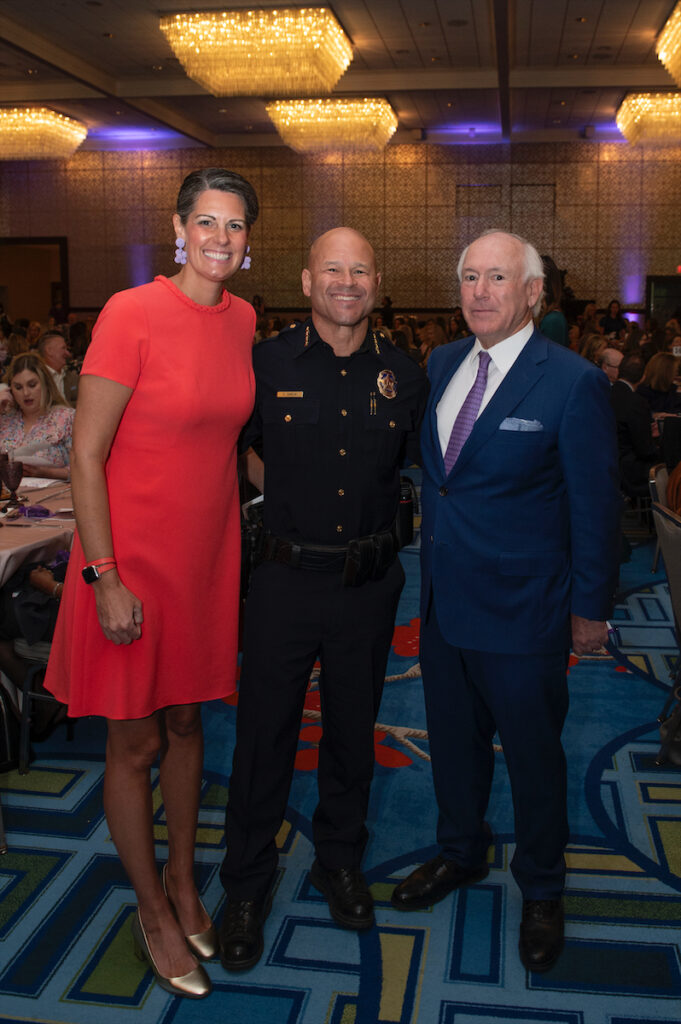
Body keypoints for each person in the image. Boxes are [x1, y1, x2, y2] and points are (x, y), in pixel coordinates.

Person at [44, 167, 260, 1000]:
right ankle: (151, 907)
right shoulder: (131, 312)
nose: (219, 237)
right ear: (179, 227)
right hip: (128, 559)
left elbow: (227, 438)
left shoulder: (242, 319)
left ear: (248, 242)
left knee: (188, 725)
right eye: (206, 221)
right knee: (132, 742)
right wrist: (103, 576)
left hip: (206, 561)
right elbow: (84, 455)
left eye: (235, 225)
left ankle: (181, 878)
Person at [390, 229, 620, 975]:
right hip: (444, 606)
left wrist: (591, 608)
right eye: (469, 277)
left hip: (526, 614)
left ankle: (543, 889)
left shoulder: (571, 381)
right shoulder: (442, 361)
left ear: (532, 293)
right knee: (453, 748)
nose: (480, 291)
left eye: (497, 278)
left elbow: (594, 508)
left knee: (531, 758)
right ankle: (458, 853)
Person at [219, 227, 428, 971]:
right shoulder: (265, 361)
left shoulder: (405, 374)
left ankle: (337, 859)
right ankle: (244, 881)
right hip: (280, 581)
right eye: (332, 270)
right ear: (307, 282)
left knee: (351, 732)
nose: (346, 282)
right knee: (261, 737)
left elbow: (420, 471)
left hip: (368, 587)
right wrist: (266, 491)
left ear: (376, 282)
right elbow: (226, 445)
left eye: (360, 270)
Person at [0, 353, 74, 479]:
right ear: (10, 390)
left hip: (52, 494)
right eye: (18, 387)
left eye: (32, 385)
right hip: (9, 496)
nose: (26, 393)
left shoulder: (66, 418)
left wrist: (47, 473)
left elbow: (83, 469)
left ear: (45, 384)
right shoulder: (5, 420)